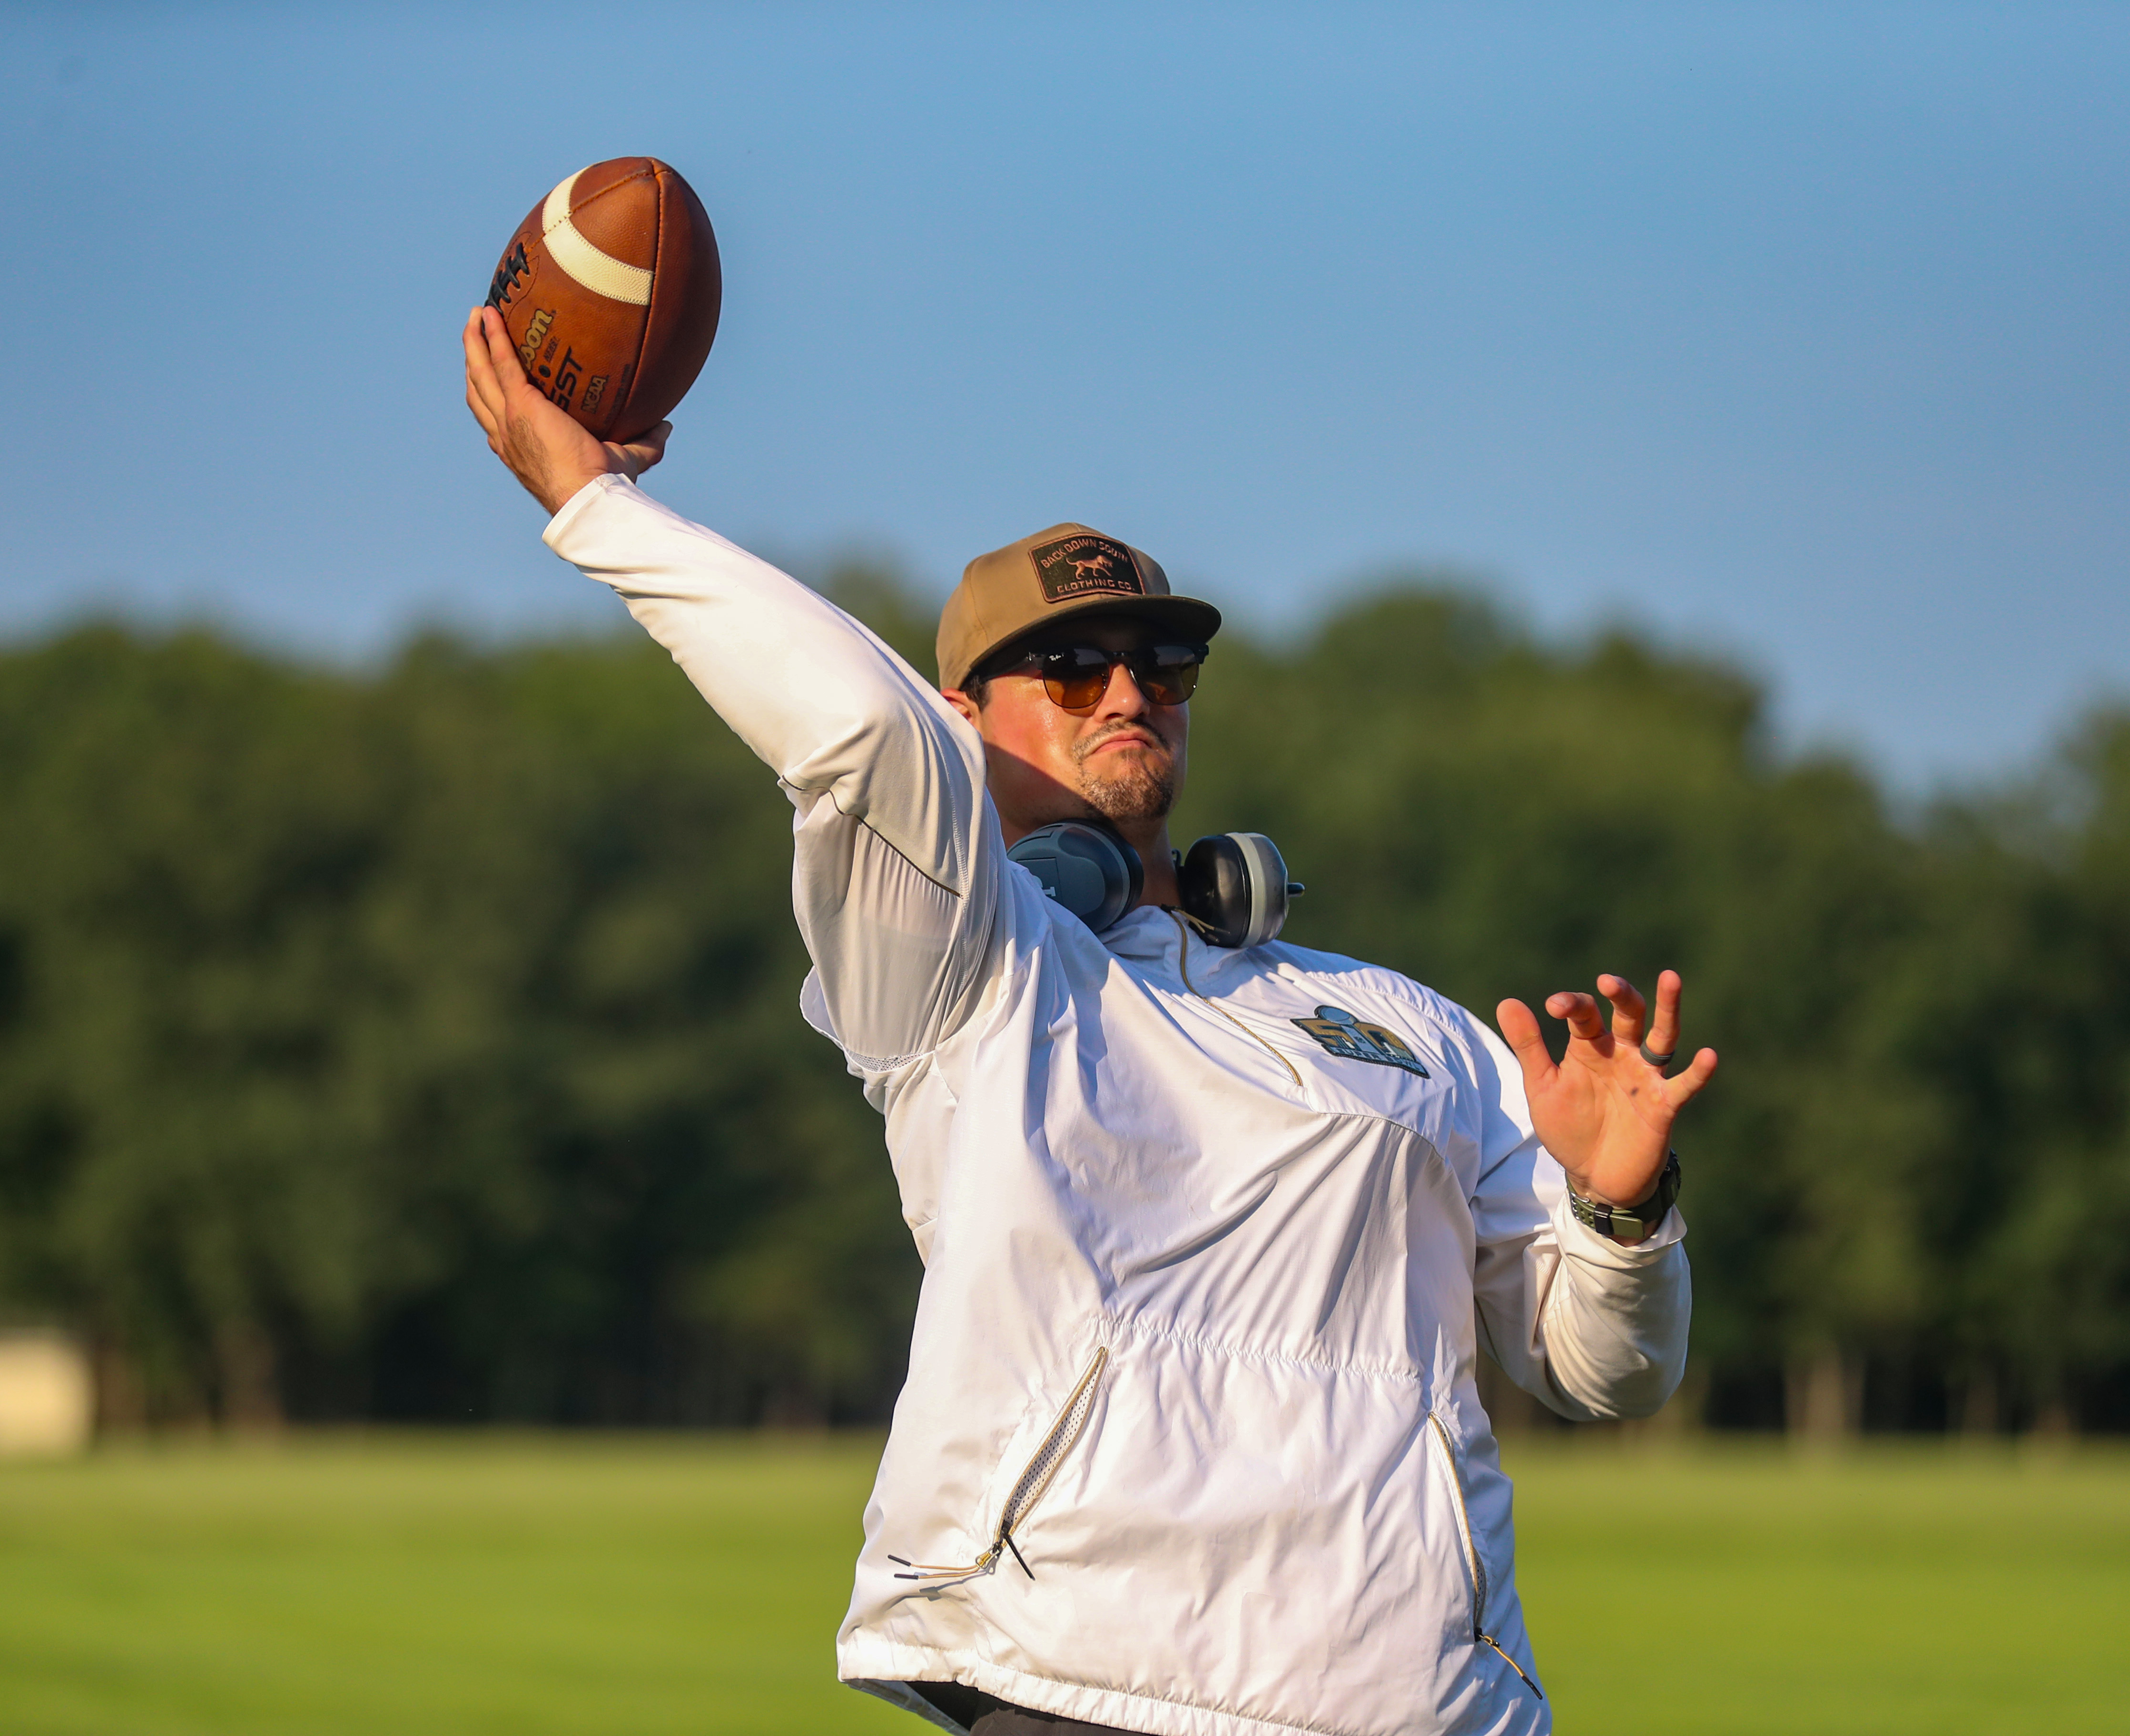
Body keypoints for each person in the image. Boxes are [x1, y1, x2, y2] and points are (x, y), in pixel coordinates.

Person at [463, 307, 1717, 1736]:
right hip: (1083, 1674)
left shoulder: (1409, 1025)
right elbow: (864, 733)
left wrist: (1625, 1214)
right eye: (1070, 669)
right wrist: (596, 506)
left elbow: (1609, 1371)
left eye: (1161, 669)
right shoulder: (967, 957)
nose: (1129, 693)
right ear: (965, 716)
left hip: (1420, 1701)